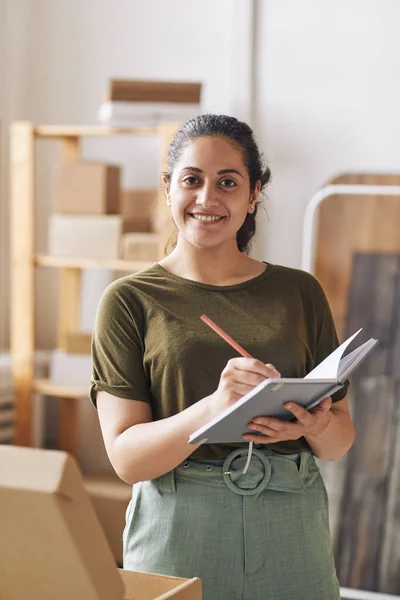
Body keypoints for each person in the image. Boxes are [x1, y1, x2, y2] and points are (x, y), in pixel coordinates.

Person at [90, 114, 355, 600]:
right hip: (177, 525)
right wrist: (215, 407)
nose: (207, 199)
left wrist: (309, 425)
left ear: (253, 194)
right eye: (192, 180)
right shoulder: (128, 300)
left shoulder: (299, 291)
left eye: (228, 183)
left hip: (290, 519)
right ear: (168, 189)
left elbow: (338, 440)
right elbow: (126, 458)